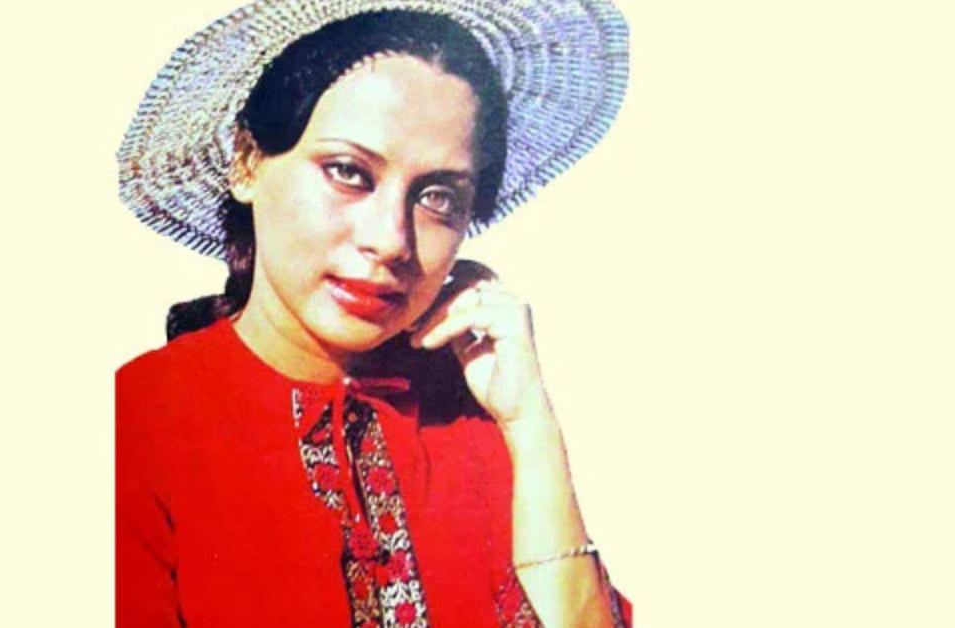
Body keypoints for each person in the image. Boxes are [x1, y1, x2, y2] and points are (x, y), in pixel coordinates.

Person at [116, 3, 631, 627]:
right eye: (348, 173)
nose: (391, 240)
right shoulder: (136, 425)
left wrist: (530, 425)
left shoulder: (480, 422)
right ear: (247, 162)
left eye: (437, 197)